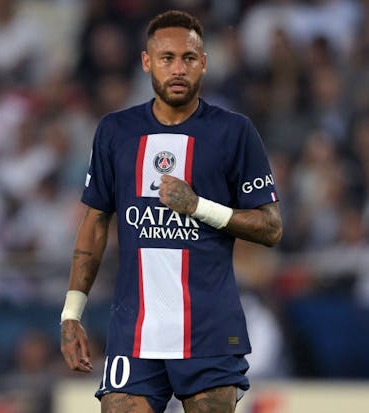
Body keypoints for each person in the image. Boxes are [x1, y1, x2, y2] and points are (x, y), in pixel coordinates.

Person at [60, 10, 283, 413]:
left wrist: (198, 207)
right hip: (135, 329)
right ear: (147, 62)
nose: (178, 69)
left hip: (209, 329)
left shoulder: (234, 132)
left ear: (204, 64)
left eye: (189, 58)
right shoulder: (116, 130)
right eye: (167, 58)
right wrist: (72, 311)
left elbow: (270, 227)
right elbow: (94, 223)